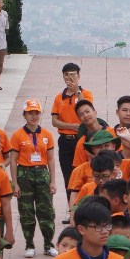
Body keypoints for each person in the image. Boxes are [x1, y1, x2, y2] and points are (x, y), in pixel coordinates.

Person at [7, 100, 58, 258]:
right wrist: (14, 184)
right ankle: (29, 245)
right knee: (26, 211)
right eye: (30, 113)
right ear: (24, 115)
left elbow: (50, 159)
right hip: (24, 174)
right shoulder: (17, 135)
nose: (34, 116)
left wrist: (53, 181)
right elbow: (13, 160)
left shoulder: (47, 134)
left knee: (46, 211)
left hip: (42, 174)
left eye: (36, 113)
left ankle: (48, 245)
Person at [50, 63, 92, 192]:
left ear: (79, 76)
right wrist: (73, 126)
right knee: (68, 176)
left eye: (73, 75)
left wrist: (77, 92)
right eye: (67, 75)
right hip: (65, 141)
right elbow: (54, 121)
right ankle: (71, 206)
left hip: (81, 139)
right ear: (63, 77)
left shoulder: (85, 93)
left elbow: (88, 111)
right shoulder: (59, 97)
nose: (70, 78)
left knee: (84, 173)